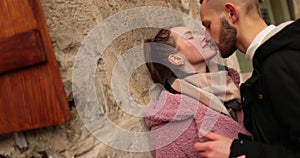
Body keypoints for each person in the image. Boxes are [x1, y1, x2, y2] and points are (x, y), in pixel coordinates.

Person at [195, 0, 300, 157]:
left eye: (208, 25)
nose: (206, 37)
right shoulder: (270, 63)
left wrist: (238, 150)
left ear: (231, 13)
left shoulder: (279, 63)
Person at [143, 26, 251, 157]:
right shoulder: (169, 127)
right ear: (176, 59)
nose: (204, 38)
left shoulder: (233, 88)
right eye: (190, 36)